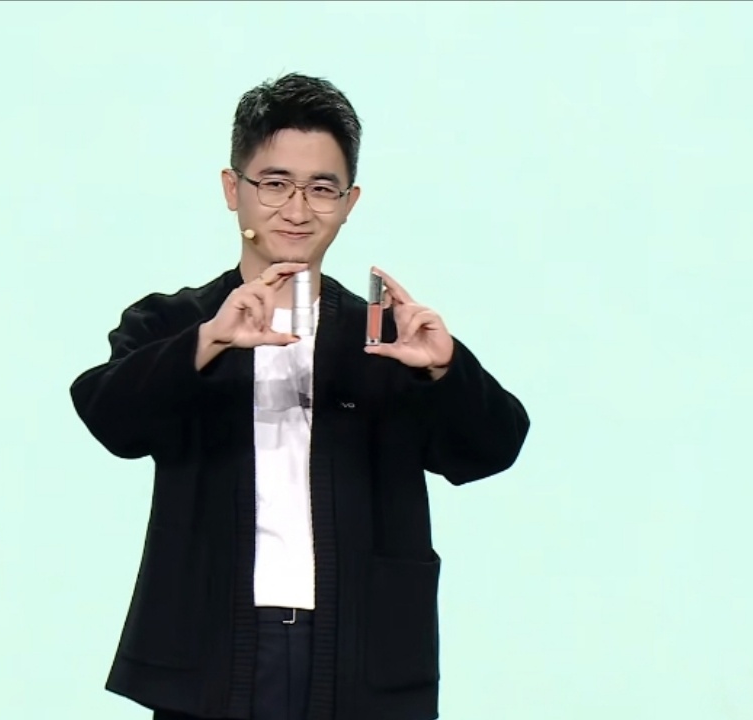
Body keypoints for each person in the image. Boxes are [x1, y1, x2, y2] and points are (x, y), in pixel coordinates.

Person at [69, 72, 530, 720]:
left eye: (321, 188)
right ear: (233, 189)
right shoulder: (178, 323)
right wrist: (208, 342)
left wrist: (445, 369)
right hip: (209, 649)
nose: (297, 209)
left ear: (350, 201)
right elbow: (110, 418)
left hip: (363, 650)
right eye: (275, 183)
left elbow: (491, 449)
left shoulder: (389, 335)